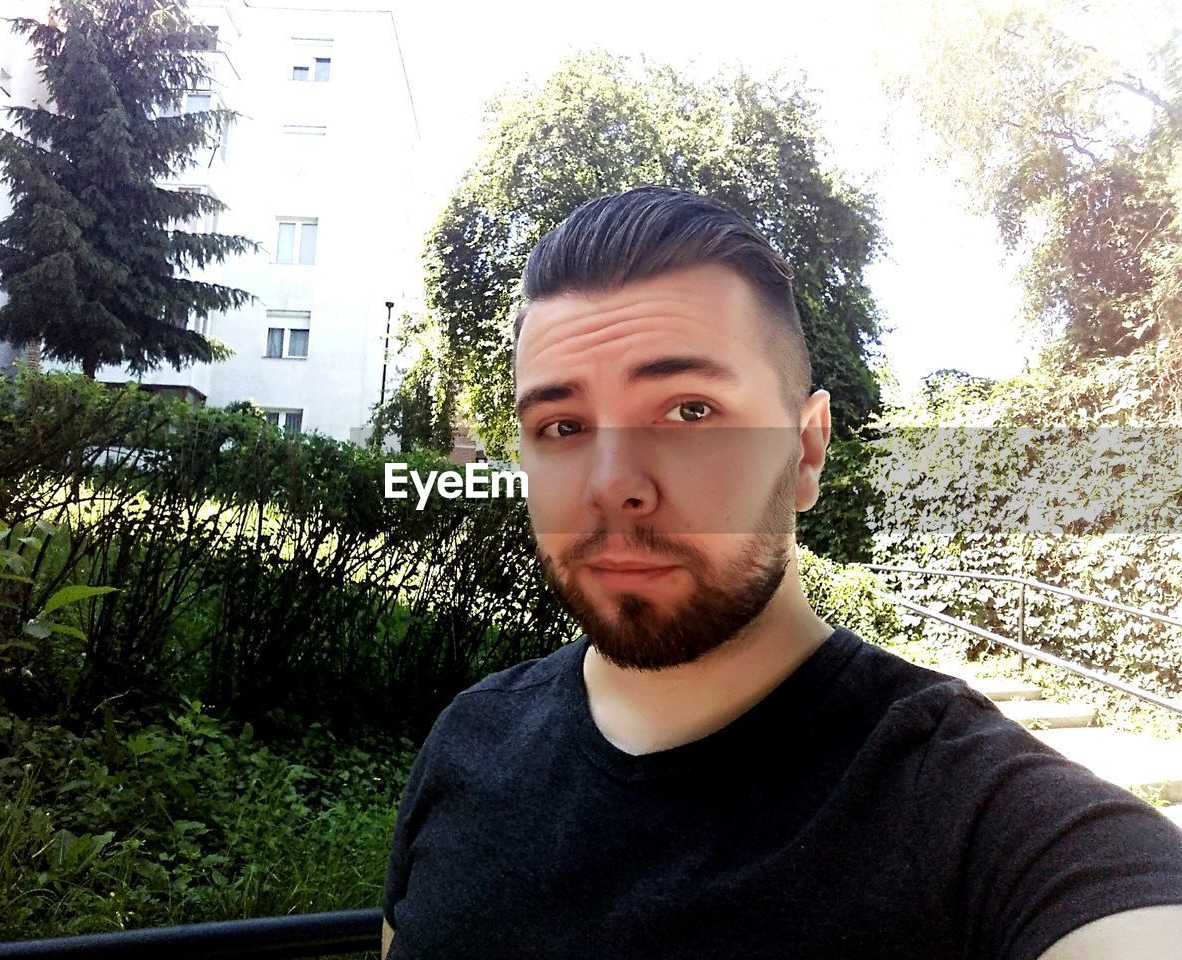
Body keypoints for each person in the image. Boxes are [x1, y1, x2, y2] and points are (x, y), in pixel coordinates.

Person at [380, 187, 1182, 959]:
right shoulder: (467, 743)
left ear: (806, 449)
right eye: (561, 425)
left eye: (690, 411)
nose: (611, 483)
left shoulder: (982, 817)